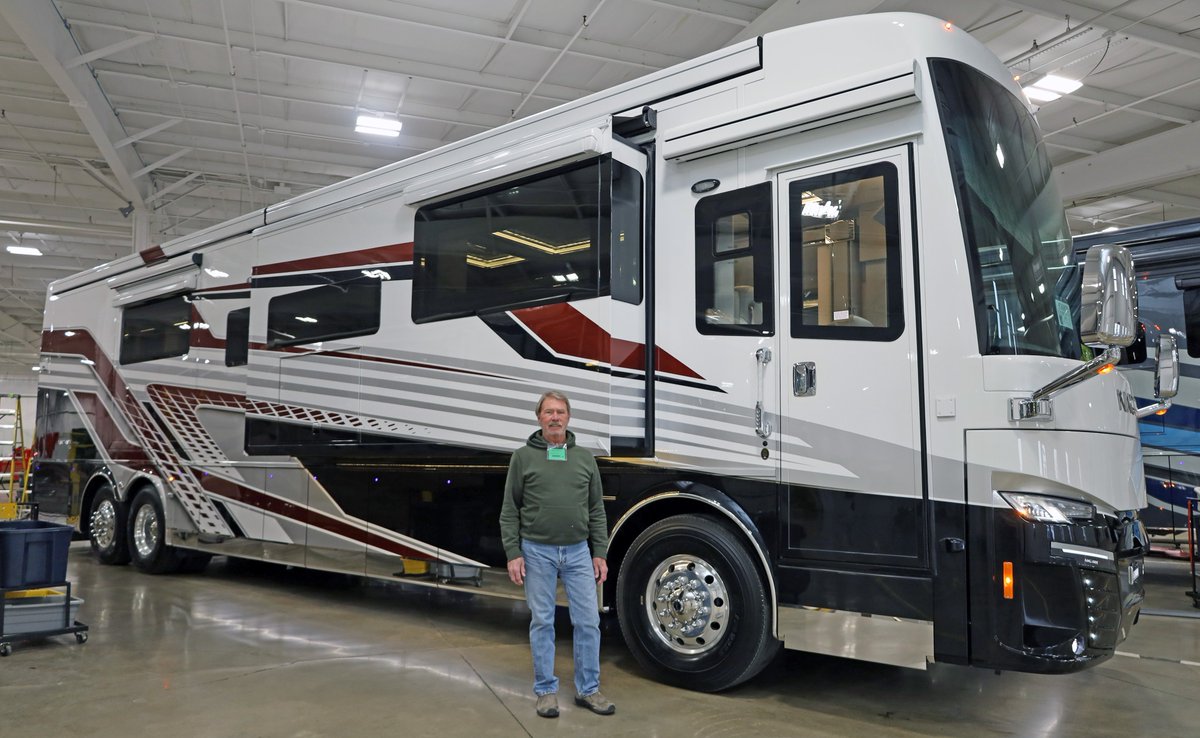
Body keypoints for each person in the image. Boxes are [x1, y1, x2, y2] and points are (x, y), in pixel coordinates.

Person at [499, 390, 615, 718]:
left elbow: (596, 509)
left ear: (568, 417)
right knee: (543, 622)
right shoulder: (522, 457)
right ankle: (546, 691)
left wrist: (599, 552)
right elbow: (510, 509)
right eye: (548, 412)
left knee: (589, 621)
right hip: (536, 552)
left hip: (578, 552)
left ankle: (588, 690)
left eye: (560, 412)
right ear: (538, 418)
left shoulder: (585, 458)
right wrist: (513, 552)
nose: (554, 417)